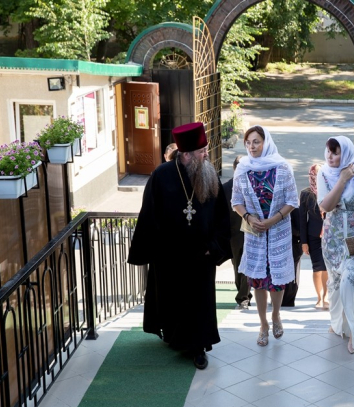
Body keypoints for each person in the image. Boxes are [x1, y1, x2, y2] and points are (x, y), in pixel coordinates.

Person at [128, 122, 232, 370]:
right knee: (173, 299)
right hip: (170, 256)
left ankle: (198, 348)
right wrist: (156, 247)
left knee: (199, 302)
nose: (206, 154)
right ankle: (176, 337)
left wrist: (213, 246)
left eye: (205, 150)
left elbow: (221, 216)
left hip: (201, 255)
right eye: (201, 151)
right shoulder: (162, 175)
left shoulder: (209, 174)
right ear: (187, 154)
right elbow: (150, 214)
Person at [231, 125, 298, 346]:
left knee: (277, 281)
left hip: (278, 231)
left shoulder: (282, 167)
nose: (252, 146)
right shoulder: (243, 168)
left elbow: (292, 200)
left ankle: (276, 315)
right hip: (256, 234)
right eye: (248, 142)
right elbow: (236, 201)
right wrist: (249, 217)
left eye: (256, 142)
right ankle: (263, 324)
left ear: (265, 142)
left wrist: (273, 220)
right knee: (258, 281)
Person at [318, 136, 354, 354]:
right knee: (335, 283)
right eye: (329, 151)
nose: (330, 156)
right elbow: (326, 206)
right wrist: (342, 180)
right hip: (332, 240)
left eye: (336, 153)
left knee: (350, 281)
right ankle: (338, 323)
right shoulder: (324, 174)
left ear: (346, 154)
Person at [223, 155, 251, 309]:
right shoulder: (226, 188)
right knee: (237, 265)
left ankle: (243, 296)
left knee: (248, 264)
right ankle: (244, 293)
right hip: (234, 233)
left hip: (252, 232)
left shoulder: (253, 185)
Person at [300, 164, 328, 309]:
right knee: (317, 267)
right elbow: (302, 219)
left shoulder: (330, 190)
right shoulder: (306, 194)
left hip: (329, 235)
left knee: (327, 266)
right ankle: (319, 297)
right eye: (314, 175)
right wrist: (304, 242)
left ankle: (326, 296)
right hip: (313, 236)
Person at [281, 207, 303, 307]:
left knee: (292, 271)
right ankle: (281, 298)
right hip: (283, 242)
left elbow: (299, 229)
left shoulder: (294, 208)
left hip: (293, 243)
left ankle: (288, 299)